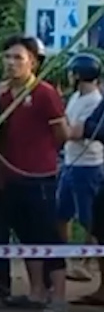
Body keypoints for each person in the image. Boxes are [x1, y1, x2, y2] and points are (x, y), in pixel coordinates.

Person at [0, 36, 67, 312]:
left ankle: (58, 296)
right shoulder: (2, 95)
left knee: (48, 235)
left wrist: (43, 157)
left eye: (18, 58)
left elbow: (62, 134)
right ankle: (36, 291)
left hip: (40, 176)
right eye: (7, 57)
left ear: (32, 62)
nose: (11, 63)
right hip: (11, 176)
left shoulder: (44, 93)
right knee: (25, 235)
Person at [56, 53, 104, 288]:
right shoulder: (76, 97)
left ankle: (87, 263)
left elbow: (74, 131)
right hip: (70, 161)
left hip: (88, 165)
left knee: (89, 219)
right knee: (60, 213)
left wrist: (58, 127)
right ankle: (62, 259)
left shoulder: (95, 101)